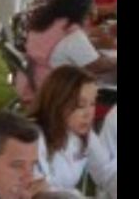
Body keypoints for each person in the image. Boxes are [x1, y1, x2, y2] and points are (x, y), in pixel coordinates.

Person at [28, 66, 115, 195]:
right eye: (80, 105)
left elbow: (105, 171)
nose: (89, 113)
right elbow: (38, 192)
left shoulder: (83, 135)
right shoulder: (33, 138)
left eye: (92, 103)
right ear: (58, 103)